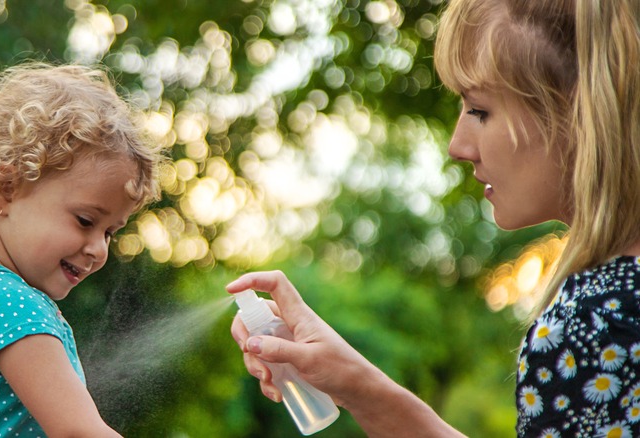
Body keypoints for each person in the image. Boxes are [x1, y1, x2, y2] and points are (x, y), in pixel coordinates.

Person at [228, 0, 640, 436]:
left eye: (479, 110)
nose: (458, 146)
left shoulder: (598, 325)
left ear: (581, 111)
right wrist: (356, 384)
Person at [0, 62, 163, 437]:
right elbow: (79, 433)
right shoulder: (0, 298)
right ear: (5, 189)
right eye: (86, 221)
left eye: (110, 233)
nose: (98, 250)